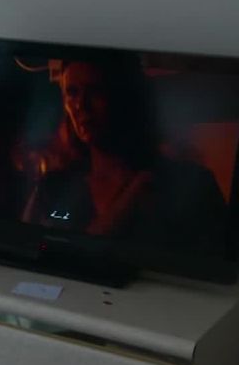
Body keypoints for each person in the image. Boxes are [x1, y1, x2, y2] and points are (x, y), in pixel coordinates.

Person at [20, 60, 227, 244]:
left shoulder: (190, 182)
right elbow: (22, 246)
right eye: (72, 93)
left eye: (95, 91)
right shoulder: (54, 185)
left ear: (125, 98)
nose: (81, 105)